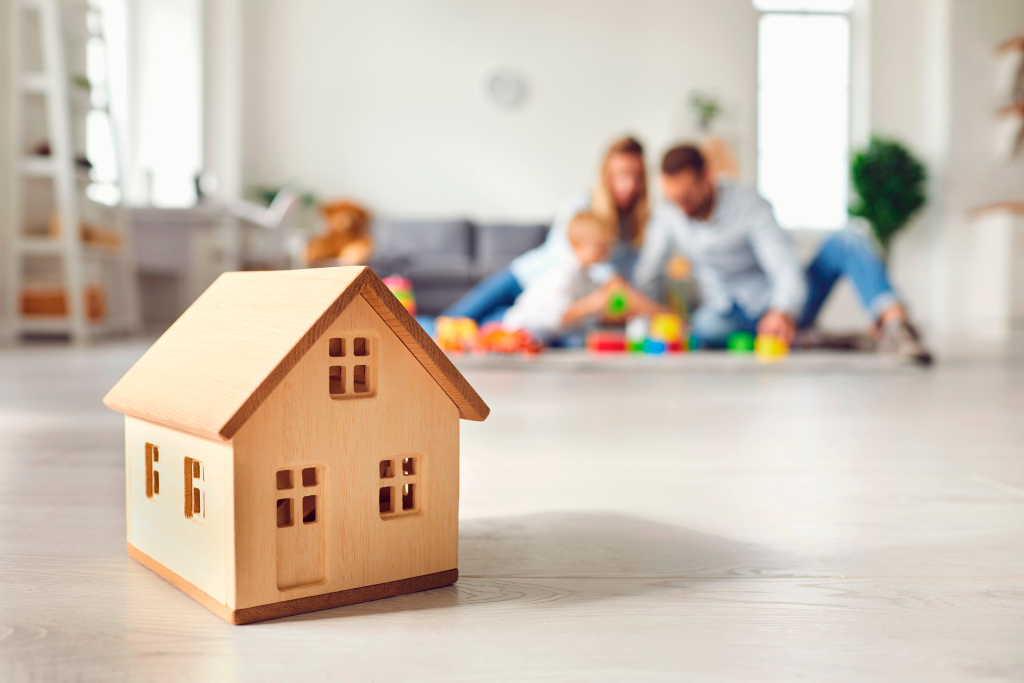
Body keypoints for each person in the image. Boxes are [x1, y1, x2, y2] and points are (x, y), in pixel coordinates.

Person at [634, 144, 933, 364]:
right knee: (705, 329)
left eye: (687, 198)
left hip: (781, 304)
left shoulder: (749, 206)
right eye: (674, 200)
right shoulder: (669, 214)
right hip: (727, 313)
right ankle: (810, 339)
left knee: (848, 239)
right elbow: (650, 272)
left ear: (708, 178)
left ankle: (896, 326)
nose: (681, 208)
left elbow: (784, 266)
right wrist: (644, 318)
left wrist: (782, 310)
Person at [442, 136, 651, 324]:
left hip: (550, 306)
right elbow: (583, 261)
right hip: (524, 278)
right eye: (621, 175)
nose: (629, 185)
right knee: (452, 322)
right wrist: (615, 283)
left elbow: (626, 283)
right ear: (606, 174)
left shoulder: (635, 227)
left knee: (486, 331)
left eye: (636, 176)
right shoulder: (580, 205)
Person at [503, 212, 666, 346]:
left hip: (551, 336)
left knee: (588, 337)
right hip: (521, 331)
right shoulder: (563, 276)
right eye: (600, 246)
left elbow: (591, 316)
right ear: (577, 245)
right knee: (578, 342)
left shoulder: (588, 277)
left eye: (607, 246)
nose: (607, 251)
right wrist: (592, 304)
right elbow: (558, 318)